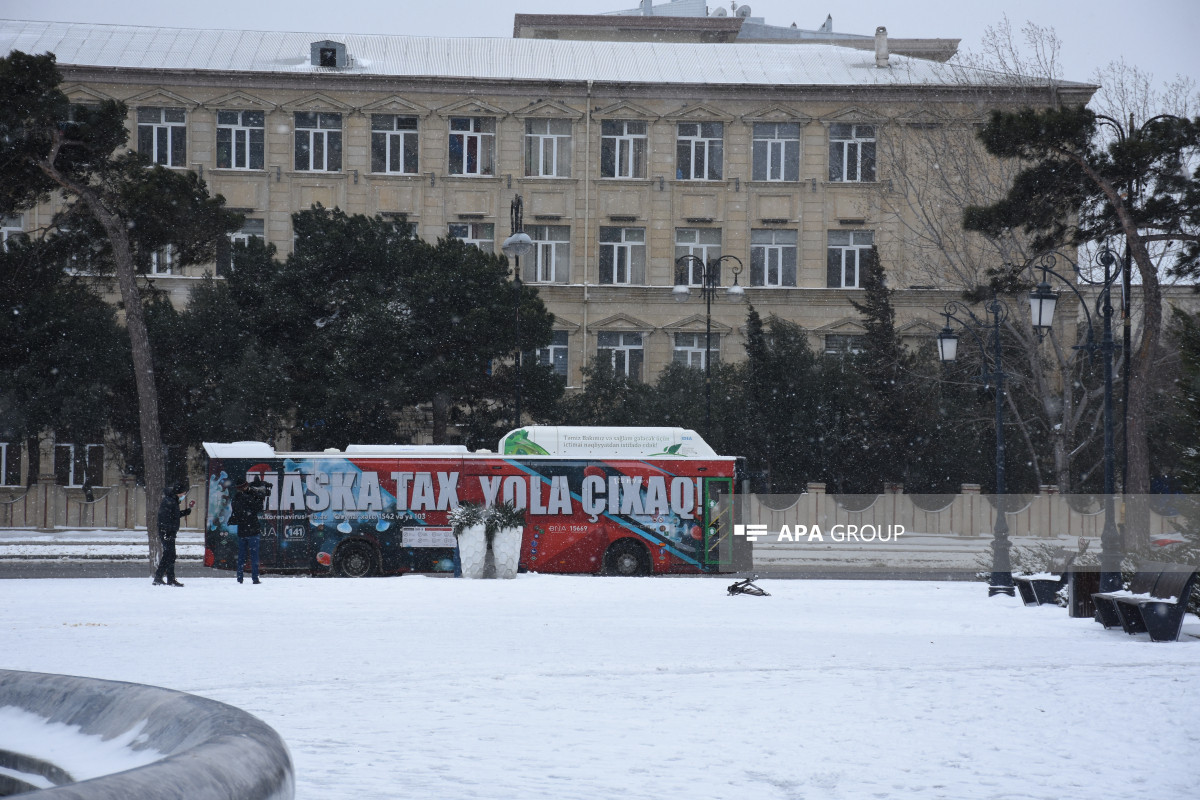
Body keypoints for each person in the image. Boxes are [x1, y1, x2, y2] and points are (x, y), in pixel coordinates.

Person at [153, 483, 192, 586]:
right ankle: (163, 578)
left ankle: (164, 578)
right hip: (167, 532)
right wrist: (168, 531)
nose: (184, 495)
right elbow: (165, 518)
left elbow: (174, 515)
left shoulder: (172, 500)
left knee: (169, 555)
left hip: (169, 532)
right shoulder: (169, 501)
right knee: (170, 555)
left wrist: (186, 512)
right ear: (178, 493)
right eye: (183, 493)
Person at [229, 478, 266, 584]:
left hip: (242, 531)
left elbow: (237, 511)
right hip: (253, 530)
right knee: (254, 556)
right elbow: (258, 508)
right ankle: (255, 578)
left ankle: (239, 578)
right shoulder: (250, 497)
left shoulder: (236, 498)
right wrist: (258, 495)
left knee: (241, 556)